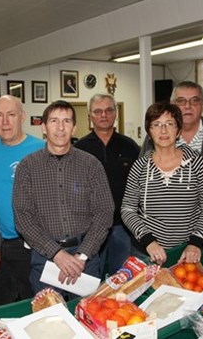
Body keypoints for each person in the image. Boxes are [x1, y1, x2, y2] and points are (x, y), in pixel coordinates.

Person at [12, 100, 113, 297]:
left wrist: (82, 255)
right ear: (43, 127)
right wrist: (57, 254)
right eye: (54, 121)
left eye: (66, 121)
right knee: (49, 322)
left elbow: (104, 212)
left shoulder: (91, 165)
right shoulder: (27, 167)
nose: (60, 128)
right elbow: (23, 218)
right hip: (45, 258)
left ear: (74, 127)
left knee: (88, 320)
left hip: (86, 258)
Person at [140, 81, 203, 255]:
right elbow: (140, 191)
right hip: (163, 243)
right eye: (181, 101)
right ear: (172, 106)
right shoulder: (155, 138)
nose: (187, 106)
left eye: (194, 101)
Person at [122, 102, 203, 265]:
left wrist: (195, 242)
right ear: (149, 132)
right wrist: (148, 241)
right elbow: (127, 209)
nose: (163, 130)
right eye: (156, 125)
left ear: (179, 130)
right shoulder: (139, 167)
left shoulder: (197, 162)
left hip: (186, 253)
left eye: (170, 124)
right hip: (146, 253)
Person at [0, 95, 45, 306]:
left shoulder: (41, 149)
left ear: (22, 117)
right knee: (0, 308)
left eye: (11, 115)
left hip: (31, 246)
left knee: (35, 306)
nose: (5, 121)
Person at [74, 94, 140, 275]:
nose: (104, 115)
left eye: (109, 110)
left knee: (124, 278)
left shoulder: (130, 146)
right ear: (90, 116)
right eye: (98, 111)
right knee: (90, 280)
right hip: (91, 228)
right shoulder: (79, 149)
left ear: (116, 113)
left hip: (123, 226)